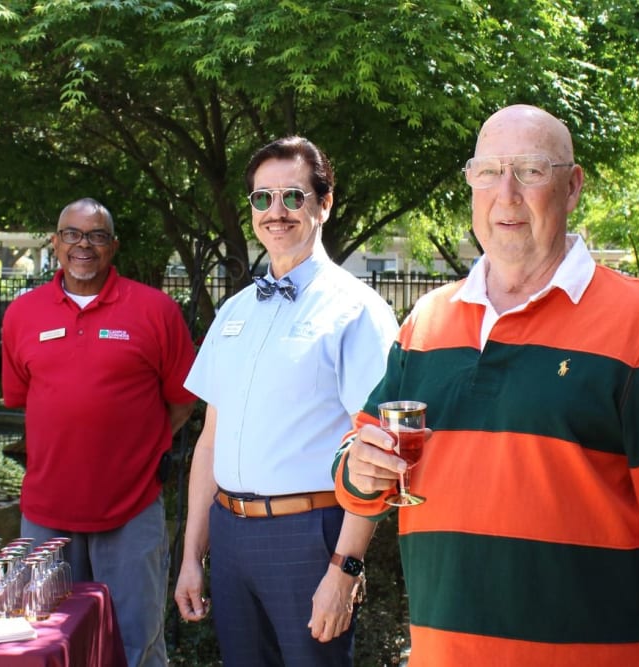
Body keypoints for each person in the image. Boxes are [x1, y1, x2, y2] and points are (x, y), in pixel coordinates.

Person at [334, 105, 639, 667]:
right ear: (471, 184)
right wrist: (358, 469)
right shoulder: (425, 324)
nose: (506, 193)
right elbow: (357, 474)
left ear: (572, 187)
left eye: (530, 170)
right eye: (489, 171)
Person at [174, 136, 400, 665]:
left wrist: (344, 569)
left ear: (324, 204)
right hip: (229, 535)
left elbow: (377, 454)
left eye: (293, 197)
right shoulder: (233, 312)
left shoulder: (357, 310)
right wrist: (191, 555)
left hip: (310, 537)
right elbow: (210, 440)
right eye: (262, 199)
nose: (276, 212)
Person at [2, 197, 197, 667]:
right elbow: (25, 400)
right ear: (55, 243)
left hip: (131, 510)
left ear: (113, 246)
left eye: (95, 236)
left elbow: (184, 401)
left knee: (136, 645)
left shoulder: (155, 310)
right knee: (44, 642)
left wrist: (138, 448)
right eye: (71, 234)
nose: (82, 245)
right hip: (46, 514)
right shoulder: (22, 314)